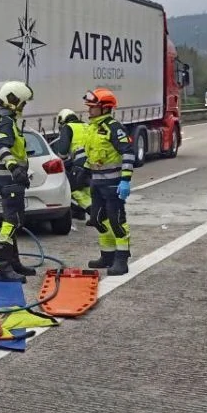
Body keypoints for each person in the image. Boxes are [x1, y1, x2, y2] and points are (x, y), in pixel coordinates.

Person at [82, 87, 136, 275]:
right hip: (96, 183)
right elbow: (88, 152)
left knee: (117, 221)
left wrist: (125, 180)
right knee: (97, 219)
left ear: (105, 108)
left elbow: (128, 152)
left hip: (113, 184)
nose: (89, 110)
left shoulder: (114, 128)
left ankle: (121, 259)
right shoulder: (92, 128)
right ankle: (107, 256)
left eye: (93, 107)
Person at [0, 81, 38, 282]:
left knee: (15, 221)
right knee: (10, 222)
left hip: (10, 179)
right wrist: (15, 169)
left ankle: (14, 263)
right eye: (23, 103)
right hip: (7, 179)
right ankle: (3, 268)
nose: (23, 107)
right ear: (13, 100)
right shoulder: (5, 122)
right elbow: (3, 148)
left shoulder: (8, 120)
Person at [53, 108, 93, 221]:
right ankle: (82, 213)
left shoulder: (68, 127)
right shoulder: (86, 125)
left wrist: (63, 159)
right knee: (86, 189)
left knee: (74, 189)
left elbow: (63, 152)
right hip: (93, 162)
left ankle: (92, 211)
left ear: (63, 120)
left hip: (80, 163)